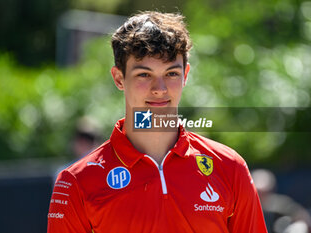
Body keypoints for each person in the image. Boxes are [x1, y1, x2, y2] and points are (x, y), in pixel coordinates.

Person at [47, 11, 267, 233]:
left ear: (186, 75)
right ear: (119, 78)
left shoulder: (230, 168)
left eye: (171, 73)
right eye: (144, 75)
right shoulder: (76, 182)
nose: (159, 89)